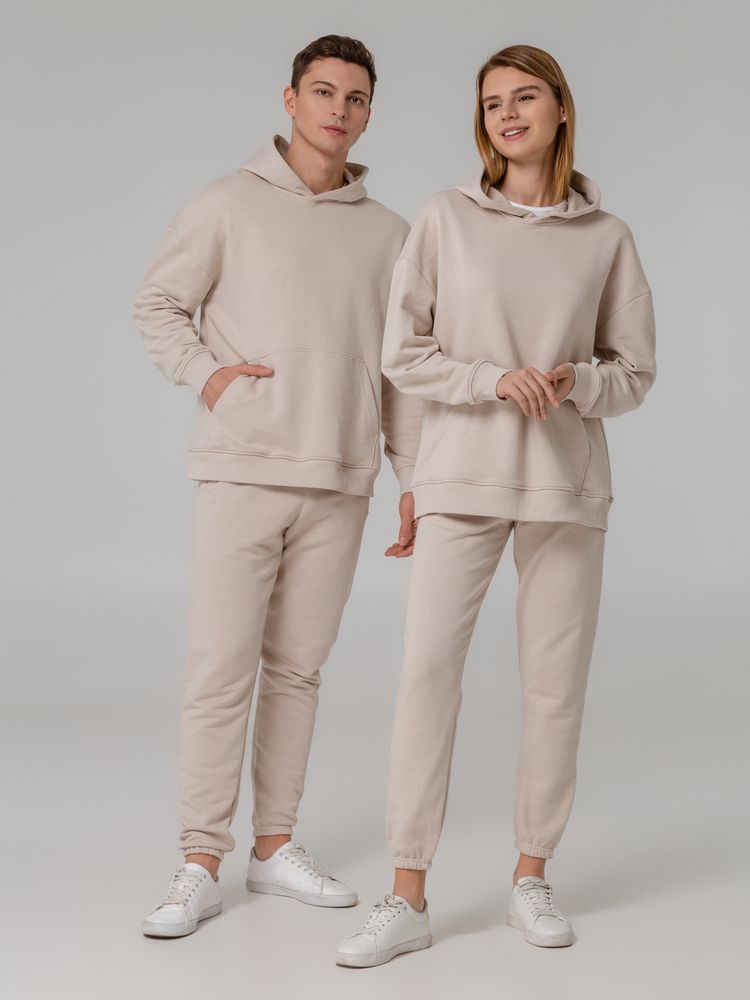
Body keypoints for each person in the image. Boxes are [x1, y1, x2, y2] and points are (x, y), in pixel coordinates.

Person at [336, 43, 656, 967]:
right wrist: (490, 378)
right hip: (460, 477)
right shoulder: (445, 218)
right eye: (491, 103)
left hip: (565, 485)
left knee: (555, 687)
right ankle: (408, 894)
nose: (507, 114)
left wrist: (576, 380)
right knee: (427, 676)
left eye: (524, 97)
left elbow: (635, 371)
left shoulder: (607, 237)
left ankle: (530, 876)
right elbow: (403, 352)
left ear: (560, 108)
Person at [132, 34, 422, 939]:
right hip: (244, 466)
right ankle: (199, 861)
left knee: (297, 670)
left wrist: (412, 476)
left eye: (356, 97)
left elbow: (400, 369)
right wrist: (207, 376)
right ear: (290, 100)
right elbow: (158, 302)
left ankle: (272, 847)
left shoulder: (391, 234)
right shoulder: (226, 202)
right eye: (323, 91)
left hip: (341, 476)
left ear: (369, 114)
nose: (339, 108)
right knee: (221, 666)